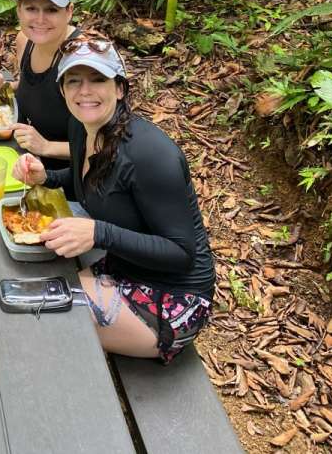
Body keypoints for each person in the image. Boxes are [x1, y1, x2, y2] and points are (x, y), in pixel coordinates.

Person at [13, 38, 215, 363]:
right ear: (62, 90)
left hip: (174, 296)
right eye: (74, 81)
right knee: (26, 292)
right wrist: (45, 177)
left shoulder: (150, 155)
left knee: (42, 319)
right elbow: (88, 185)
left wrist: (97, 233)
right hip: (124, 266)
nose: (85, 91)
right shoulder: (81, 128)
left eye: (97, 79)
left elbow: (182, 253)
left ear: (119, 88)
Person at [0, 0, 80, 167]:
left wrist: (46, 147)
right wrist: (4, 86)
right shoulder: (25, 39)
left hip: (68, 180)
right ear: (19, 10)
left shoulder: (80, 61)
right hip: (21, 157)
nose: (40, 19)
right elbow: (35, 87)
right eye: (31, 8)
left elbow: (106, 145)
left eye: (51, 9)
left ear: (69, 12)